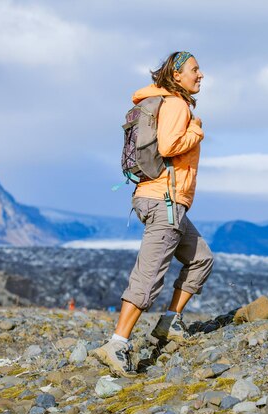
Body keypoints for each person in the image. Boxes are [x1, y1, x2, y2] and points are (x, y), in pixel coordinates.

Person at [91, 51, 214, 377]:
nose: (200, 75)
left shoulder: (165, 102)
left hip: (161, 199)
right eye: (194, 70)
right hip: (165, 200)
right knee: (148, 276)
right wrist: (197, 130)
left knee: (201, 257)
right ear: (176, 75)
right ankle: (117, 343)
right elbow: (169, 146)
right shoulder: (175, 104)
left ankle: (168, 323)